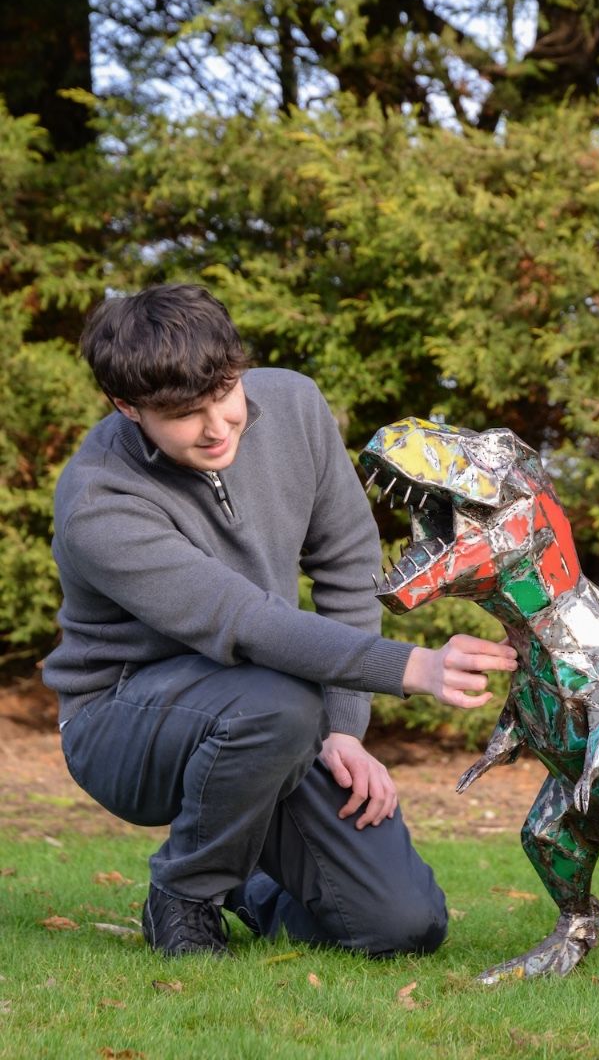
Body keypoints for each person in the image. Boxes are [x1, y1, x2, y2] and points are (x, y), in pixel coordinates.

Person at [43, 283, 516, 959]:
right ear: (128, 407)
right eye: (183, 413)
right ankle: (184, 894)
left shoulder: (294, 405)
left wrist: (346, 728)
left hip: (264, 710)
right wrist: (415, 667)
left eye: (225, 393)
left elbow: (348, 564)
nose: (217, 426)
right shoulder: (99, 500)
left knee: (402, 925)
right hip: (122, 723)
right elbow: (245, 621)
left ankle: (243, 881)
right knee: (281, 702)